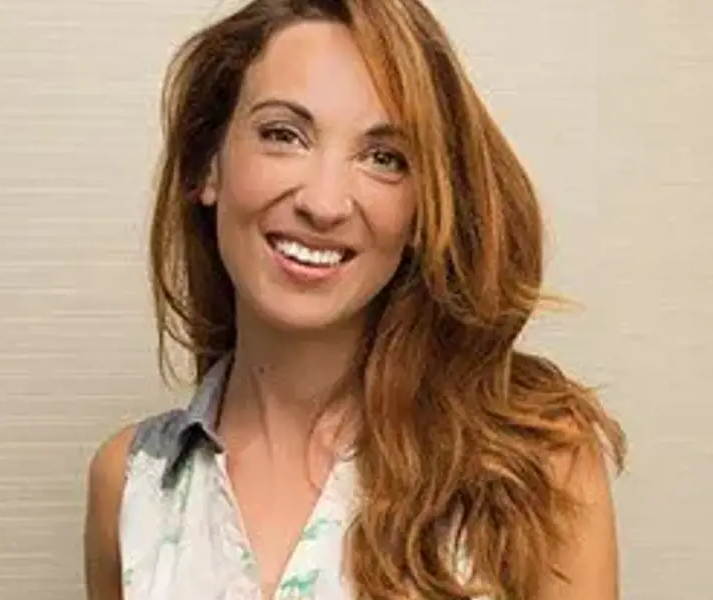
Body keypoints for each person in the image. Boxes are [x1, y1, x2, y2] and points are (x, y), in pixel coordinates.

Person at [83, 0, 626, 598]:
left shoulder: (535, 465)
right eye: (283, 135)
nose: (325, 201)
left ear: (425, 208)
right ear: (208, 165)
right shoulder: (131, 482)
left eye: (384, 158)